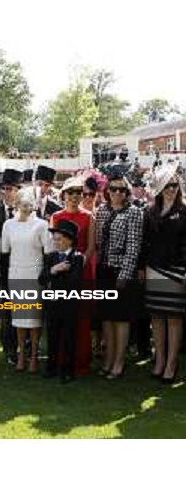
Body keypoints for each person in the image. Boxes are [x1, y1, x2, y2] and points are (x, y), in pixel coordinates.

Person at [139, 164, 186, 384]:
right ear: (160, 187)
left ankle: (171, 363)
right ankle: (159, 359)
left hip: (177, 271)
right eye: (167, 185)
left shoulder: (184, 212)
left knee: (174, 319)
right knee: (157, 317)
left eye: (175, 185)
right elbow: (145, 243)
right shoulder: (150, 212)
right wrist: (142, 269)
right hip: (154, 268)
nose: (171, 189)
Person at [95, 173, 143, 380]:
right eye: (113, 189)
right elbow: (97, 241)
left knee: (121, 319)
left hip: (121, 272)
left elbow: (133, 247)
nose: (116, 193)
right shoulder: (102, 211)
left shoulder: (134, 213)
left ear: (127, 192)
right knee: (106, 317)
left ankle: (119, 362)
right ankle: (109, 358)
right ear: (107, 191)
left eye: (121, 190)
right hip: (103, 270)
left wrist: (124, 274)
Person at [49, 177, 96, 376]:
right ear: (63, 195)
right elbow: (54, 245)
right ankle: (59, 361)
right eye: (71, 192)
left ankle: (79, 362)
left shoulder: (89, 217)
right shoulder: (56, 217)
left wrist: (78, 264)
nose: (75, 196)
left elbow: (92, 246)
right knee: (60, 317)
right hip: (60, 271)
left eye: (79, 192)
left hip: (82, 271)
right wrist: (62, 266)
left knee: (81, 318)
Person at [1, 187, 50, 373]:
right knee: (20, 319)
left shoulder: (42, 225)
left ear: (34, 205)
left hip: (35, 276)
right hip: (16, 275)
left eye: (29, 203)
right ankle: (21, 354)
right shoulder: (8, 225)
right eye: (21, 203)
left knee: (34, 320)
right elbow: (5, 251)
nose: (25, 207)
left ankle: (34, 356)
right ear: (16, 204)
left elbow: (48, 252)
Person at [39, 220, 84, 383]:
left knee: (69, 337)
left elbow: (74, 281)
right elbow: (42, 279)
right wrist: (54, 270)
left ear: (69, 240)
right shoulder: (51, 257)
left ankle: (68, 370)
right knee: (52, 335)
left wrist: (57, 275)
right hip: (52, 304)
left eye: (59, 239)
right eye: (54, 239)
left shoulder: (77, 257)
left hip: (69, 305)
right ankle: (51, 367)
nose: (55, 242)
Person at [0, 169, 22, 364]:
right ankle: (9, 349)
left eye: (10, 188)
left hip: (24, 267)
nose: (6, 192)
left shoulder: (26, 212)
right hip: (2, 271)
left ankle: (26, 345)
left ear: (17, 190)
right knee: (7, 312)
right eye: (3, 189)